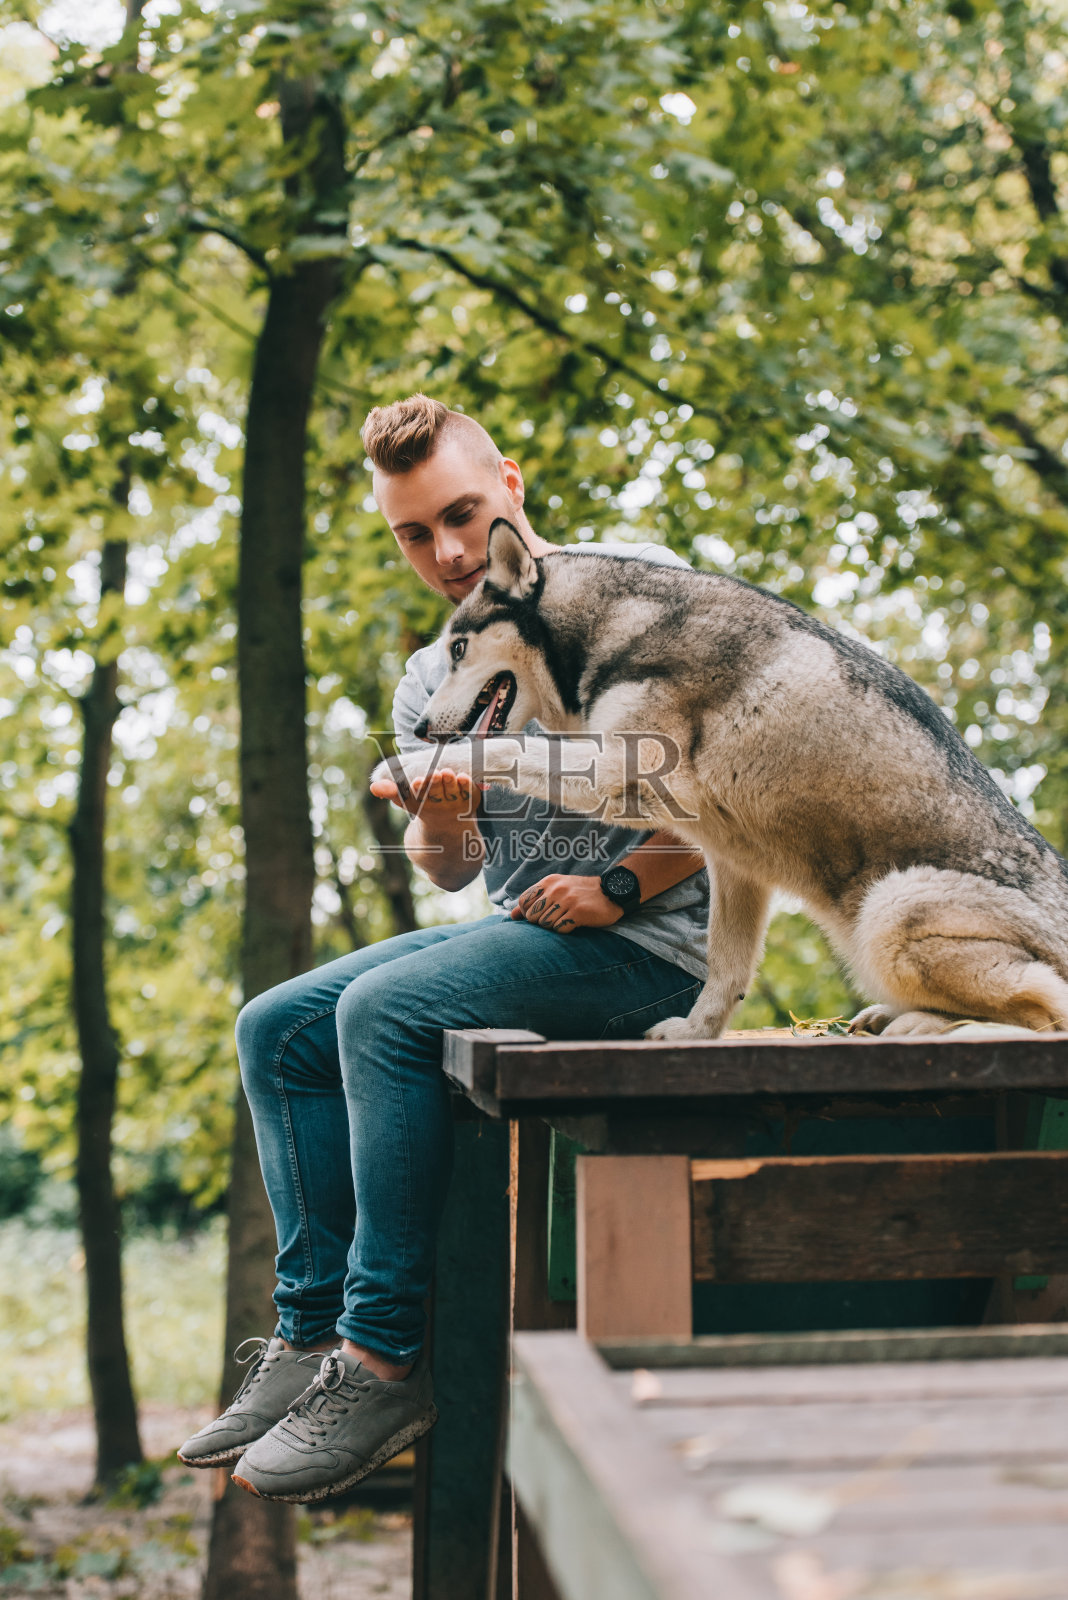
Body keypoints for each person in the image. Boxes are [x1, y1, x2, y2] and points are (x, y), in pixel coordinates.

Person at [177, 395, 711, 1503]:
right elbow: (452, 869)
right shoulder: (434, 674)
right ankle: (312, 1334)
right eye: (414, 534)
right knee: (275, 1028)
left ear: (510, 485)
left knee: (384, 1012)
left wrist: (618, 886)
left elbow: (729, 781)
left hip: (646, 953)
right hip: (522, 940)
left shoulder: (632, 588)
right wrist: (440, 799)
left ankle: (382, 1361)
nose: (449, 552)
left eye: (462, 515)